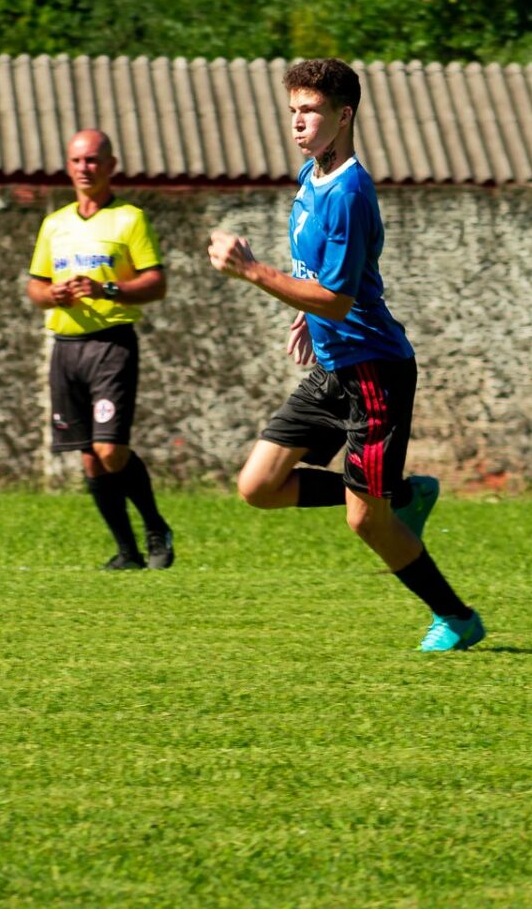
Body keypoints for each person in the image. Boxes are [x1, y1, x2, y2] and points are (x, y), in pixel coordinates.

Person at [207, 57, 484, 652]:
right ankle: (400, 494)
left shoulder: (351, 191)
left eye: (310, 111)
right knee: (258, 486)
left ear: (344, 114)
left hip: (374, 372)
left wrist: (253, 271)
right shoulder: (311, 178)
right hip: (333, 367)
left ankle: (457, 618)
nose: (298, 123)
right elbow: (323, 282)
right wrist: (304, 313)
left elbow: (337, 298)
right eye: (293, 112)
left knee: (364, 521)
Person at [26, 129, 174, 570]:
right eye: (77, 161)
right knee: (89, 458)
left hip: (111, 345)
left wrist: (106, 287)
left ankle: (156, 526)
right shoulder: (55, 223)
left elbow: (156, 283)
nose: (84, 168)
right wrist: (54, 295)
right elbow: (35, 286)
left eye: (93, 160)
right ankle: (127, 553)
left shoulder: (130, 219)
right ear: (68, 167)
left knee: (110, 450)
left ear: (111, 166)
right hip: (65, 346)